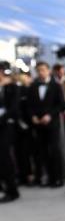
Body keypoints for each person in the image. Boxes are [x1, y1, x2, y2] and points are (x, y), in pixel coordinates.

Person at [27, 61, 65, 188]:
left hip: (52, 123)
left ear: (48, 70)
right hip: (38, 124)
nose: (41, 72)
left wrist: (50, 115)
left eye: (43, 69)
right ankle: (50, 178)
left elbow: (61, 105)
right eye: (38, 70)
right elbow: (29, 105)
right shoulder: (33, 86)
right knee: (42, 152)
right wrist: (33, 116)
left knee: (55, 150)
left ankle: (58, 178)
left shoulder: (56, 85)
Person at [0, 64, 20, 203]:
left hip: (6, 126)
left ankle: (12, 190)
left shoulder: (11, 87)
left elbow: (14, 108)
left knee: (4, 158)